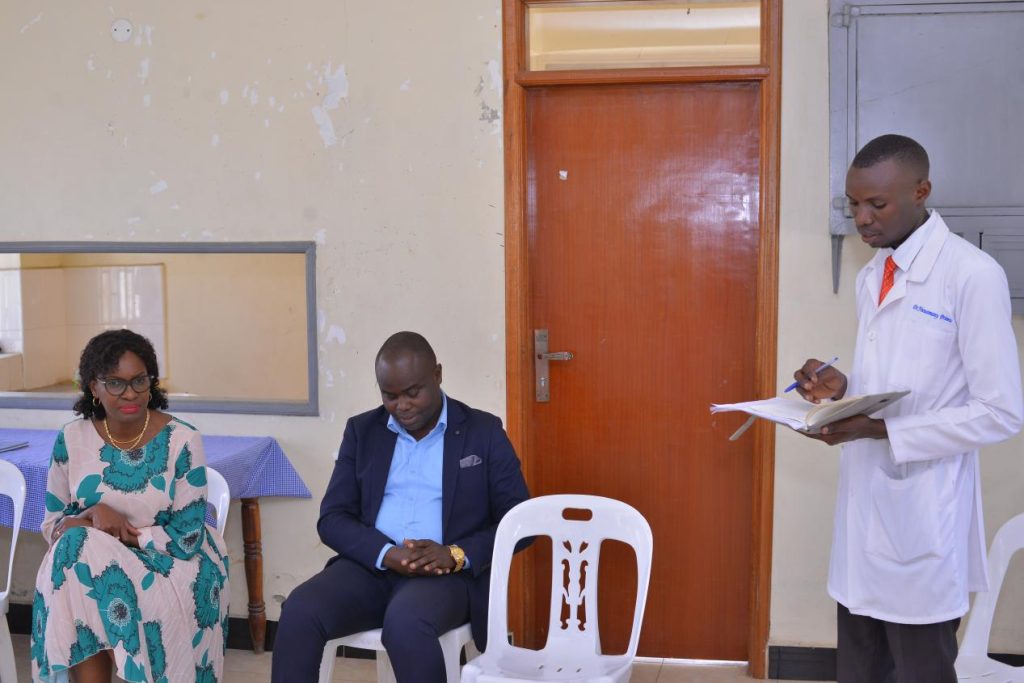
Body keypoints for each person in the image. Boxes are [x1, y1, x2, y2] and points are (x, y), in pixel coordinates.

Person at [792, 134, 1023, 682]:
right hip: (865, 512)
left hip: (924, 513)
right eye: (854, 204)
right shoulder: (872, 275)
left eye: (877, 204)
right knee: (860, 667)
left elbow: (1001, 411)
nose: (862, 219)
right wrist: (841, 388)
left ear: (921, 191)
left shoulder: (971, 275)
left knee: (919, 668)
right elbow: (899, 383)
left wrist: (879, 430)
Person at [272, 331, 530, 682]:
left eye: (412, 392)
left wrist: (455, 554)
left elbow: (519, 522)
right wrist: (386, 553)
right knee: (300, 611)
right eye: (390, 396)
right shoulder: (363, 431)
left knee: (407, 624)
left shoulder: (482, 431)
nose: (402, 406)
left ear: (438, 375)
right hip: (372, 567)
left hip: (445, 576)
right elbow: (332, 518)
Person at [32, 329, 229, 683]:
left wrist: (112, 530)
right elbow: (53, 526)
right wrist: (94, 516)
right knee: (77, 554)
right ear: (94, 387)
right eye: (116, 383)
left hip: (170, 564)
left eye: (139, 381)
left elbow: (187, 539)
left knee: (81, 558)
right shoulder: (71, 438)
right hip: (92, 565)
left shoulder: (183, 440)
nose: (130, 393)